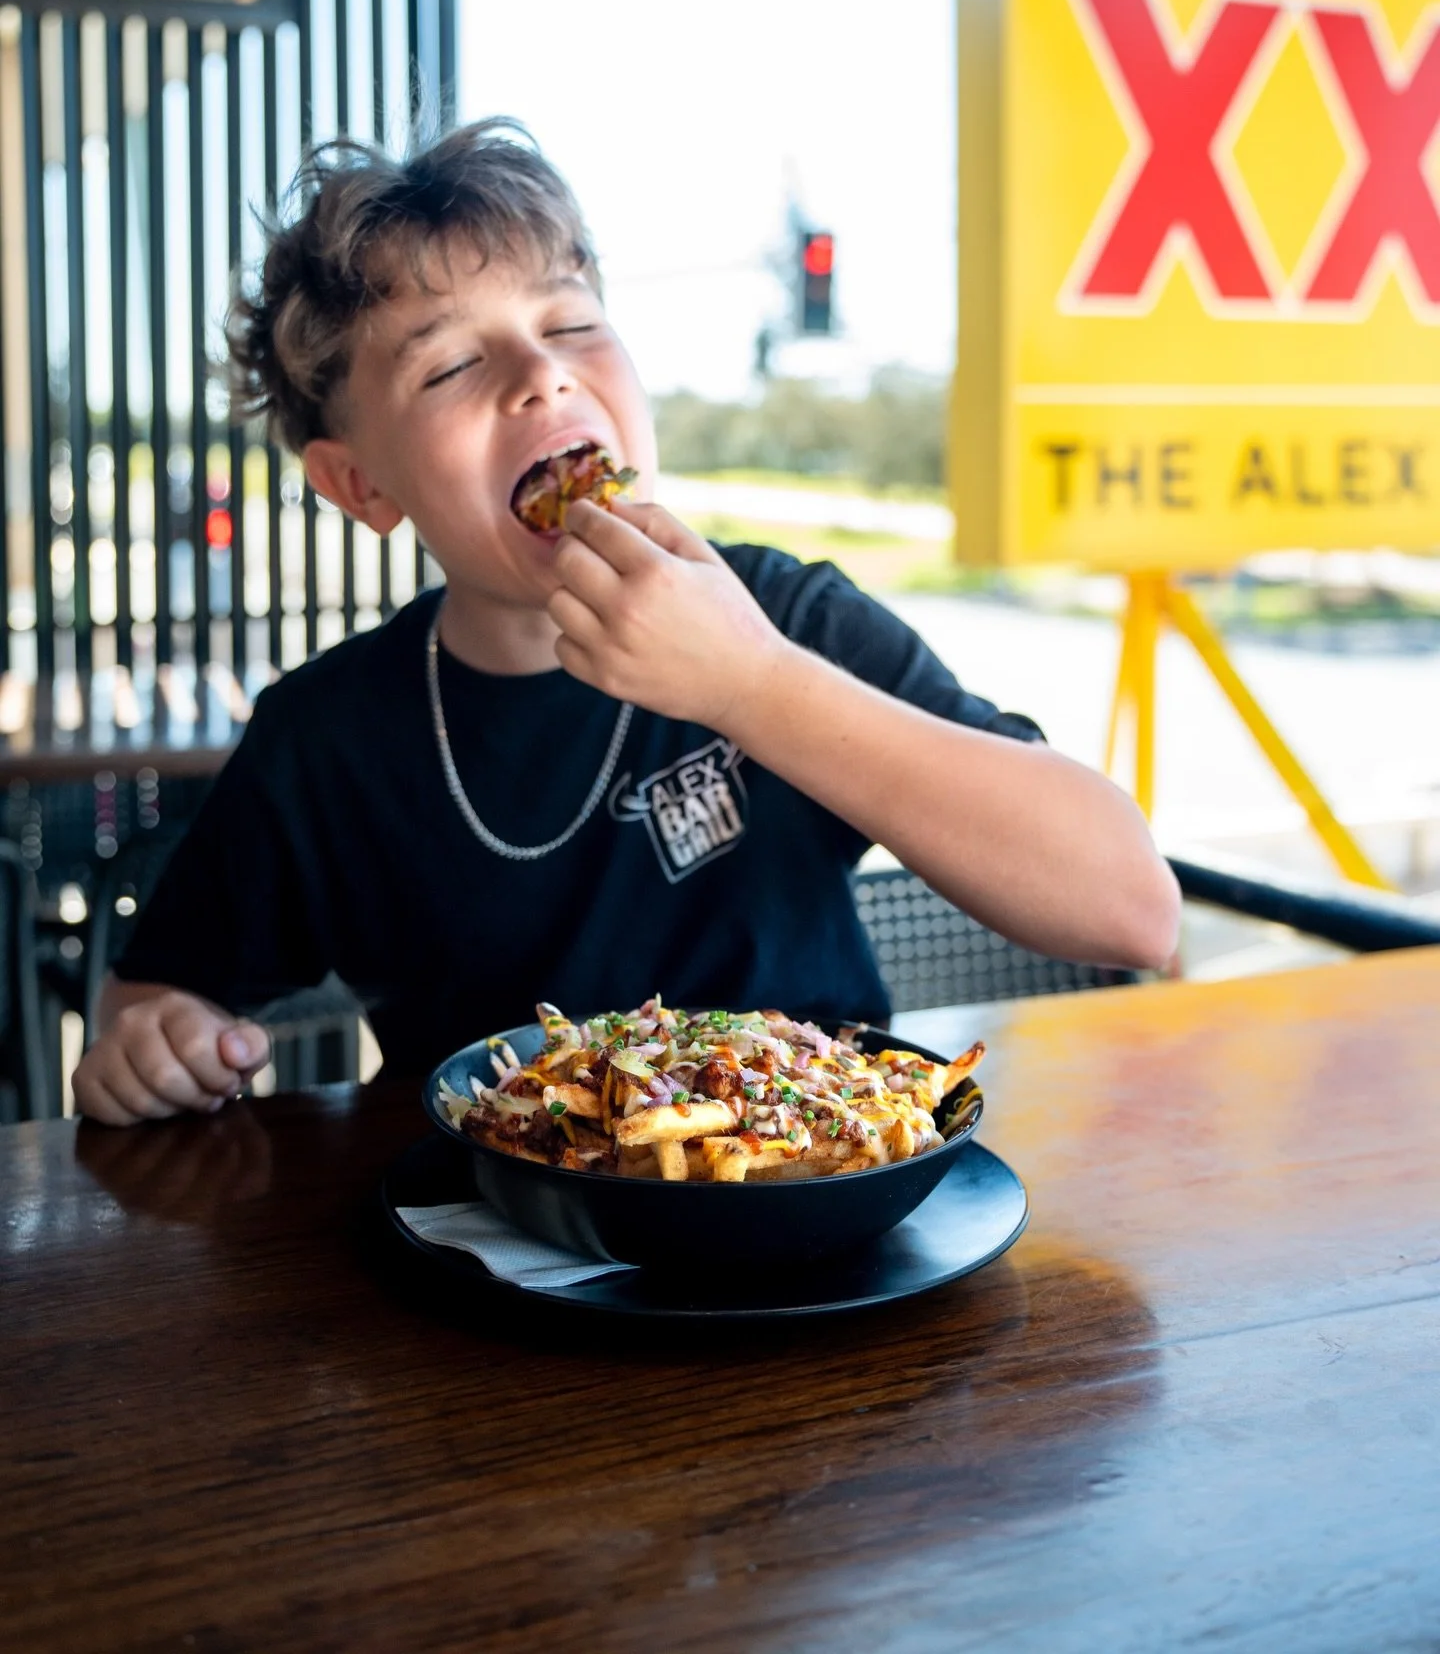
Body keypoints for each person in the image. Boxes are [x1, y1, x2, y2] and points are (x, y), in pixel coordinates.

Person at [73, 121, 1180, 1126]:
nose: (542, 374)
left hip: (825, 1211)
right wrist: (152, 1042)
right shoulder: (328, 736)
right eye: (453, 362)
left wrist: (754, 685)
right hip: (497, 1249)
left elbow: (1131, 908)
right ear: (360, 484)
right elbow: (153, 996)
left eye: (571, 322)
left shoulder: (787, 617)